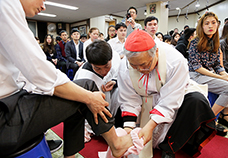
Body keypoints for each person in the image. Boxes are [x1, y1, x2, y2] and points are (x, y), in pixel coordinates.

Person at [0, 0, 135, 157]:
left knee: (79, 94)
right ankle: (116, 143)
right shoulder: (6, 4)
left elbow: (28, 76)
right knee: (85, 89)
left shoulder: (117, 59)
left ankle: (70, 155)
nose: (43, 6)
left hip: (13, 101)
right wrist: (90, 98)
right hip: (6, 115)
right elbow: (39, 72)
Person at [118, 29, 216, 158]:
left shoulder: (175, 61)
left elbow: (170, 100)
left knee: (196, 101)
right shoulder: (124, 66)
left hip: (174, 93)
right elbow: (128, 98)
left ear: (156, 53)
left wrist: (150, 126)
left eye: (144, 65)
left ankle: (169, 146)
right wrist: (128, 129)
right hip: (143, 97)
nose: (140, 70)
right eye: (134, 66)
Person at [188, 12, 228, 135]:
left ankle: (224, 115)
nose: (211, 26)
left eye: (213, 23)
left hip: (208, 74)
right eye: (207, 23)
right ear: (202, 26)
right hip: (195, 75)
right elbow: (197, 67)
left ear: (217, 25)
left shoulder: (215, 43)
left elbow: (217, 65)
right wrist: (220, 77)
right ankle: (207, 121)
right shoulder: (195, 42)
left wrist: (225, 75)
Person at [74, 40, 122, 140]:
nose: (103, 72)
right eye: (98, 69)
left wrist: (114, 81)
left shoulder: (115, 57)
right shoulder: (85, 77)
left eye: (107, 67)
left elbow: (118, 73)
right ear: (91, 63)